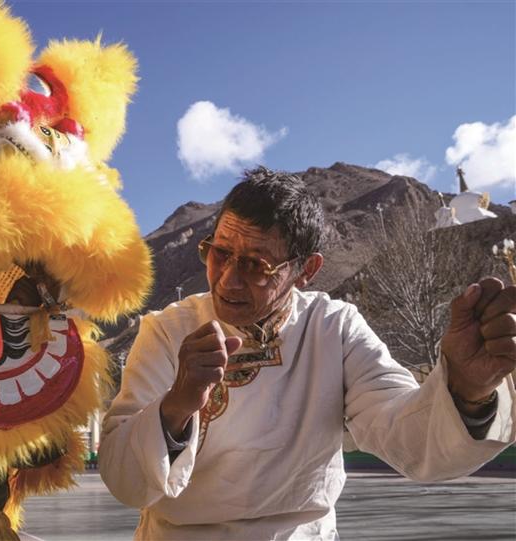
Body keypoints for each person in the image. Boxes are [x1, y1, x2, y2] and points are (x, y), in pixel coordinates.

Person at [99, 166, 516, 540]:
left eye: (256, 265)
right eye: (220, 253)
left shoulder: (334, 327)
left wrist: (468, 390)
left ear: (307, 270)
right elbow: (124, 480)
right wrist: (176, 405)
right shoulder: (166, 331)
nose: (228, 280)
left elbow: (406, 436)